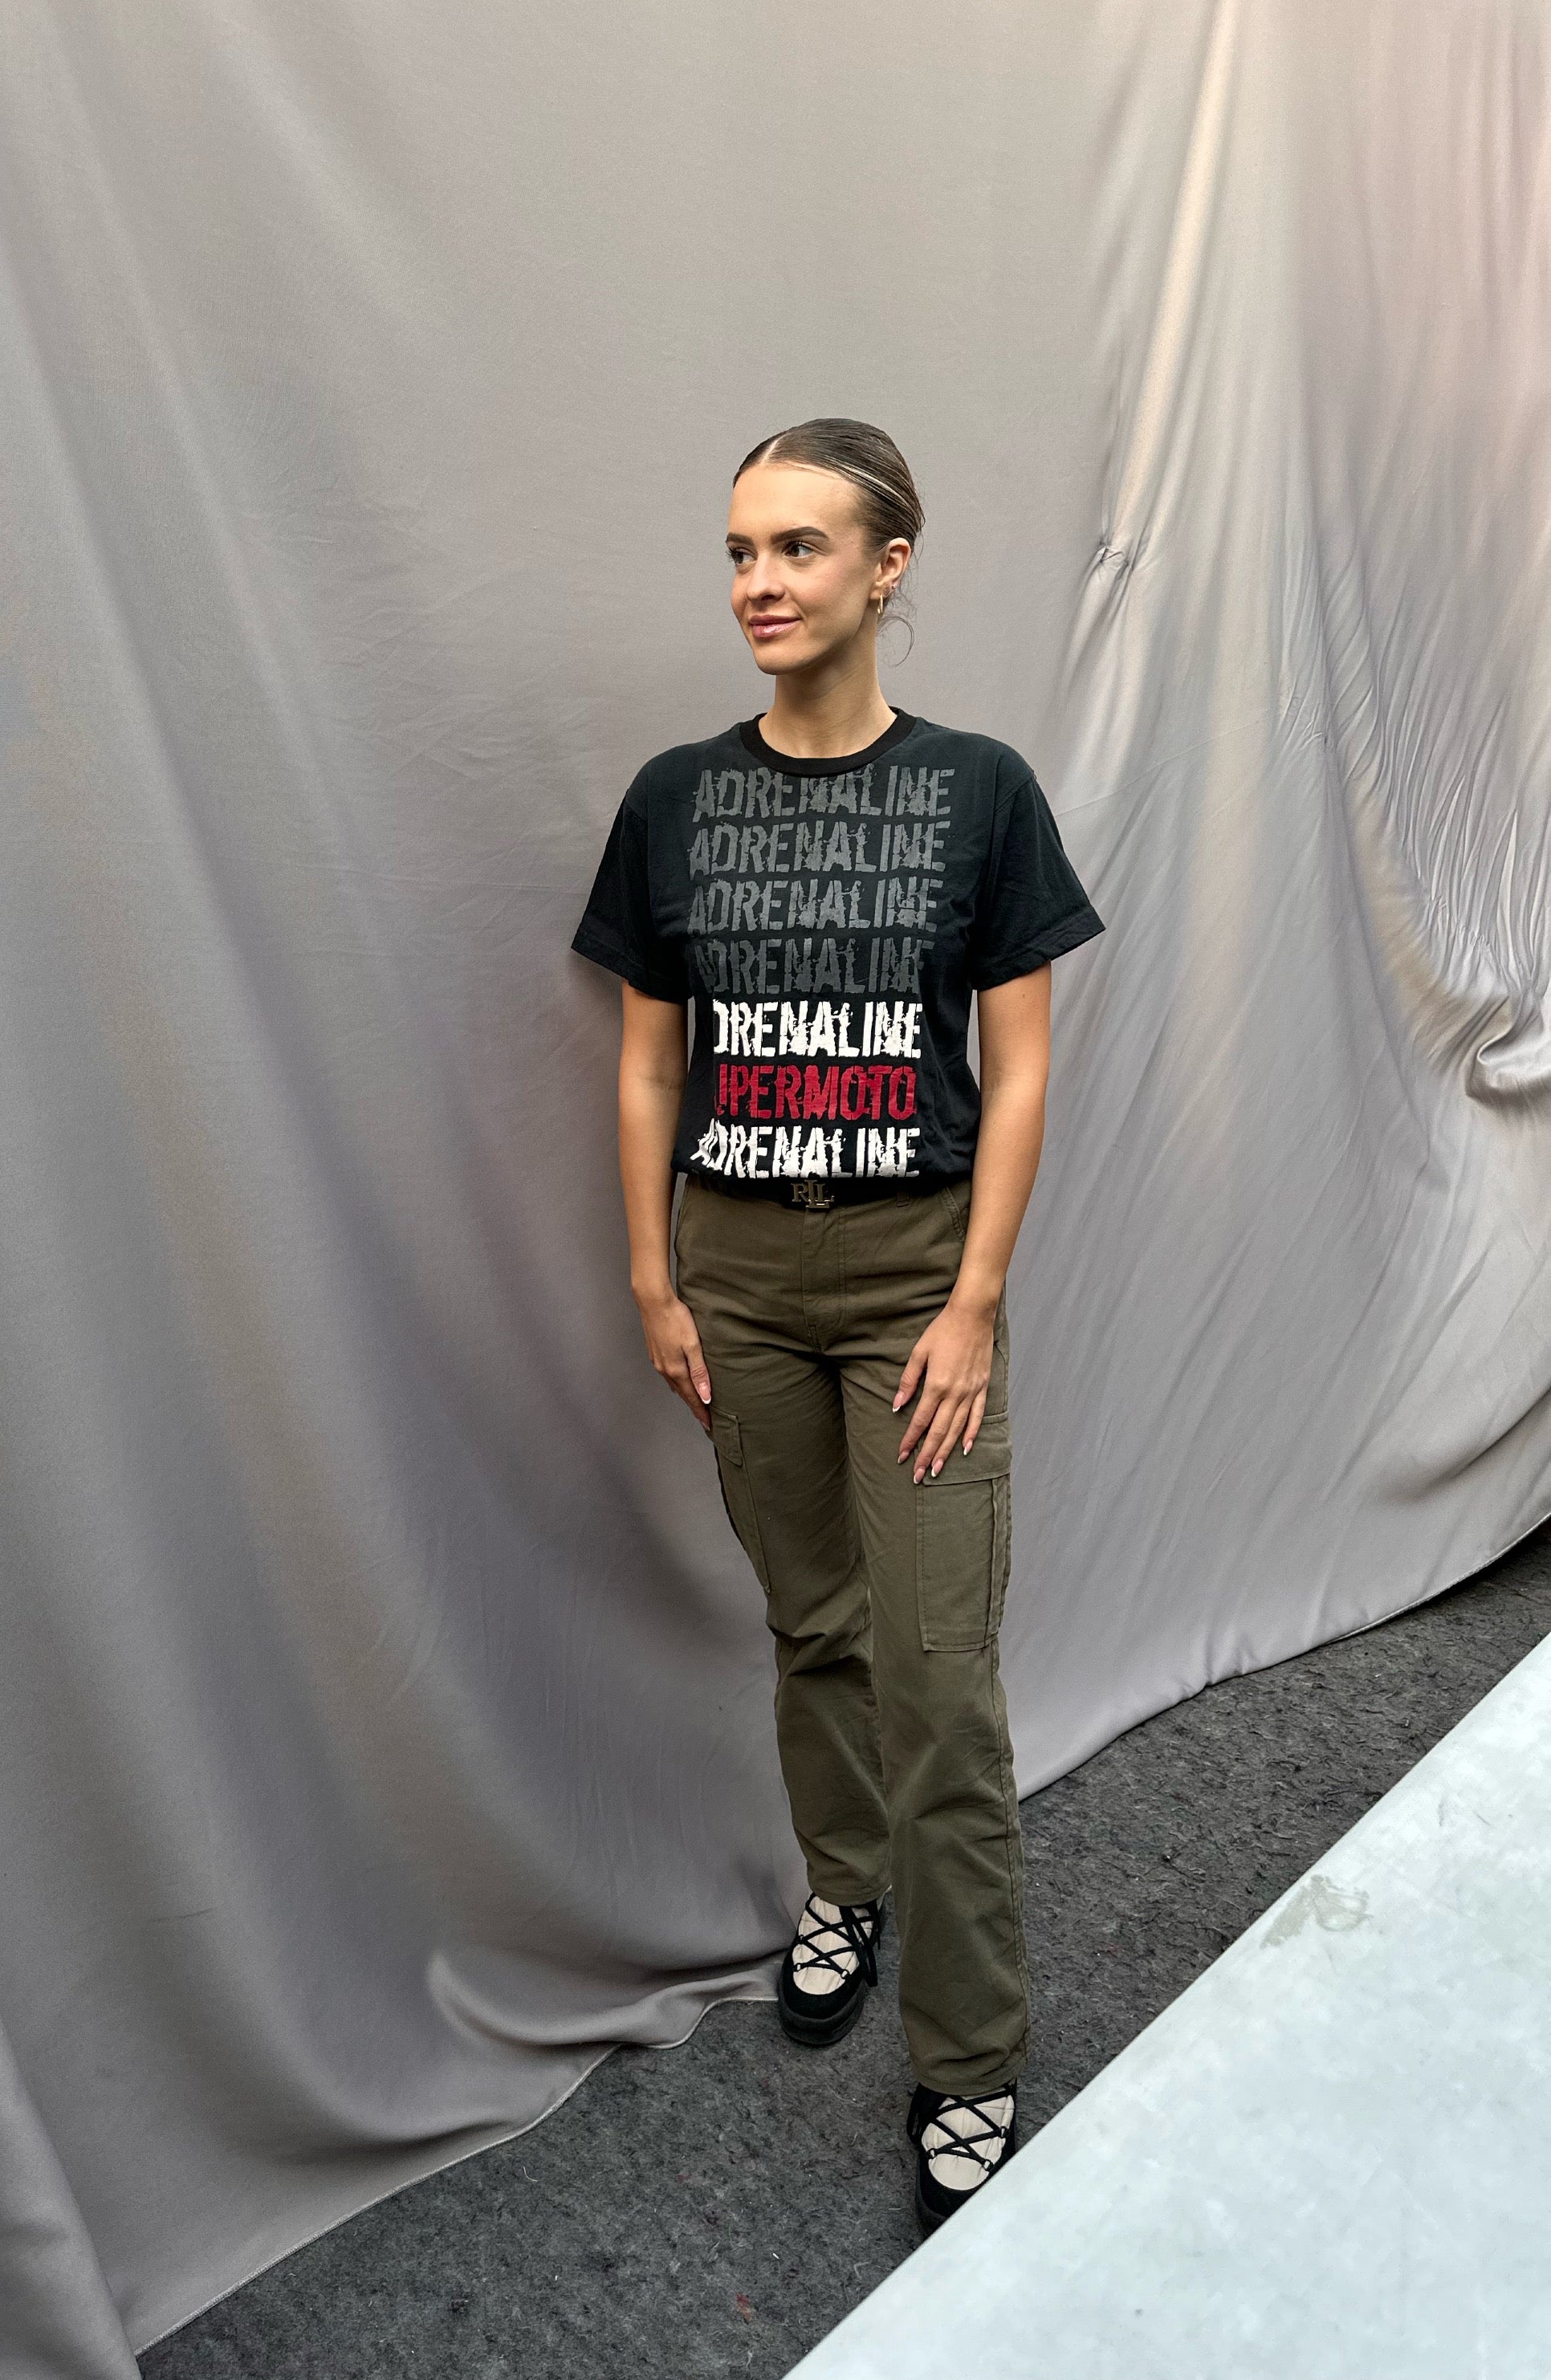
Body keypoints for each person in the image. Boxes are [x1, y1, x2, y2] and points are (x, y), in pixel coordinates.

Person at [569, 417, 1104, 2232]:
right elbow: (651, 1063)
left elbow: (1019, 1069)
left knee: (939, 1678)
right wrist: (655, 1275)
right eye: (740, 550)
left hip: (909, 1279)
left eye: (799, 548)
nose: (759, 584)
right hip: (739, 1273)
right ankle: (844, 1885)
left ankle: (971, 2052)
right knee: (812, 1624)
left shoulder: (979, 791)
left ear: (889, 566)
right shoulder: (674, 800)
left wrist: (975, 1300)